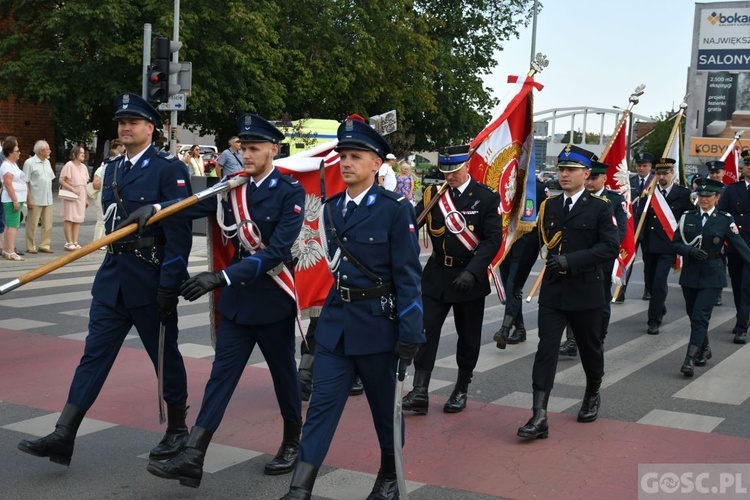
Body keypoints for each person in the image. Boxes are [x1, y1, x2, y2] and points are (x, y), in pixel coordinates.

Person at [17, 92, 194, 467]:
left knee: (163, 358)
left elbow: (179, 234)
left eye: (133, 122)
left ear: (151, 128)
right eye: (121, 122)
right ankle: (65, 433)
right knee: (93, 356)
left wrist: (170, 282)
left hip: (150, 278)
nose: (125, 127)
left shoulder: (168, 169)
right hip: (113, 277)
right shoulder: (112, 169)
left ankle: (178, 428)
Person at [135, 113, 305, 487]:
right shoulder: (231, 187)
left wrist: (220, 277)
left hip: (272, 298)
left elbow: (276, 252)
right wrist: (158, 210)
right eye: (243, 147)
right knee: (220, 379)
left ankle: (293, 440)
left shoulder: (289, 191)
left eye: (254, 148)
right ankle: (194, 456)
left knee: (283, 377)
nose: (246, 154)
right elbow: (191, 206)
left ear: (273, 150)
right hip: (238, 304)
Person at [281, 118, 424, 500]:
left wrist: (411, 333)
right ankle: (299, 489)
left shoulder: (395, 210)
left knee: (384, 412)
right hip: (337, 325)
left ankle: (389, 477)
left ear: (376, 164)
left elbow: (409, 276)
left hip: (379, 327)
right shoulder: (331, 209)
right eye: (342, 155)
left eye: (355, 156)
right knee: (322, 409)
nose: (346, 163)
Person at [517, 145, 619, 440]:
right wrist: (515, 285)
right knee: (546, 349)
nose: (564, 174)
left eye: (571, 170)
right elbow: (533, 245)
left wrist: (571, 260)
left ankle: (592, 391)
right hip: (554, 291)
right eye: (561, 169)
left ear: (586, 174)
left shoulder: (601, 208)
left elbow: (609, 247)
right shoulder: (549, 206)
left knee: (590, 347)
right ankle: (539, 415)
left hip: (586, 291)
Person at [401, 144, 502, 415]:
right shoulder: (434, 195)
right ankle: (420, 390)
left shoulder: (486, 198)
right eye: (445, 171)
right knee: (424, 330)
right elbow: (412, 224)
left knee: (468, 337)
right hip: (436, 274)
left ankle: (461, 388)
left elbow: (493, 240)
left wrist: (472, 271)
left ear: (467, 166)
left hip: (468, 276)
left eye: (455, 170)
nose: (450, 176)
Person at [673, 178, 750, 376]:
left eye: (708, 196)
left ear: (717, 198)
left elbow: (740, 245)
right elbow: (675, 243)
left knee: (700, 315)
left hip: (713, 274)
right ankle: (705, 349)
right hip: (690, 274)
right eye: (701, 195)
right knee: (693, 315)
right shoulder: (687, 217)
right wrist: (688, 251)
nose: (704, 199)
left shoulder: (725, 219)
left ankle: (690, 358)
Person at [558, 160, 627, 356]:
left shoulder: (613, 201)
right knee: (571, 297)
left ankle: (598, 337)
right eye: (589, 177)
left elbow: (619, 231)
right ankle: (572, 340)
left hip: (599, 261)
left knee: (601, 302)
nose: (590, 182)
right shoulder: (577, 198)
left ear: (604, 178)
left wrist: (597, 248)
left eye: (595, 178)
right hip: (575, 260)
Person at [640, 158, 692, 335]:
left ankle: (653, 320)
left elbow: (687, 219)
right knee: (649, 281)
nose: (661, 177)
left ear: (673, 173)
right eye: (659, 173)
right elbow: (641, 218)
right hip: (649, 245)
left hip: (669, 246)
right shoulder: (649, 192)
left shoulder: (683, 194)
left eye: (665, 173)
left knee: (659, 281)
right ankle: (659, 306)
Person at [494, 178, 548, 347]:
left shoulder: (537, 186)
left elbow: (547, 216)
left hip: (526, 244)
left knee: (513, 286)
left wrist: (540, 243)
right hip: (506, 242)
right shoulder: (503, 183)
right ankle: (520, 329)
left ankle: (505, 328)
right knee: (509, 288)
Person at [717, 153, 750, 344]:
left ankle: (741, 326)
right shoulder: (732, 189)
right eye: (747, 165)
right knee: (738, 286)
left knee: (746, 286)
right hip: (736, 246)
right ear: (743, 168)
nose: (749, 168)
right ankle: (742, 316)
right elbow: (722, 214)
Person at [615, 152, 655, 303]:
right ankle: (621, 290)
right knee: (627, 258)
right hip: (632, 226)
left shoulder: (654, 182)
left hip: (649, 227)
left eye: (645, 166)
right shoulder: (629, 182)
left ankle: (648, 289)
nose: (641, 168)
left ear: (650, 167)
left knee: (649, 261)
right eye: (639, 165)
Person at [23, 140, 56, 254]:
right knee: (32, 224)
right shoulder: (29, 163)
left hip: (48, 197)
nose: (50, 151)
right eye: (48, 149)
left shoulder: (47, 162)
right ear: (41, 151)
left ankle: (44, 245)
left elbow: (49, 178)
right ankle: (30, 245)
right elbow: (25, 182)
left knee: (48, 224)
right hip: (36, 197)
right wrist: (29, 198)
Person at [92, 139, 125, 247]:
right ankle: (98, 242)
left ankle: (104, 240)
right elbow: (95, 184)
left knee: (107, 218)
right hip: (101, 195)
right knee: (101, 219)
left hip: (109, 194)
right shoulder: (104, 167)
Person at [1, 137, 27, 261]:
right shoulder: (6, 165)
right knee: (13, 226)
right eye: (17, 150)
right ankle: (10, 251)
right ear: (10, 152)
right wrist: (15, 200)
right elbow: (8, 184)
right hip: (12, 199)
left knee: (10, 225)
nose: (19, 153)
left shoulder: (12, 165)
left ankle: (7, 250)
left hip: (16, 198)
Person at [59, 145, 90, 250]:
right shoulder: (69, 165)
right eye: (80, 153)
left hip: (80, 194)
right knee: (69, 218)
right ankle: (68, 242)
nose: (83, 154)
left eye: (83, 153)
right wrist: (72, 189)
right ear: (74, 154)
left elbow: (85, 185)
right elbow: (61, 180)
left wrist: (86, 198)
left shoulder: (84, 167)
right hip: (71, 194)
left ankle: (75, 241)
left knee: (78, 219)